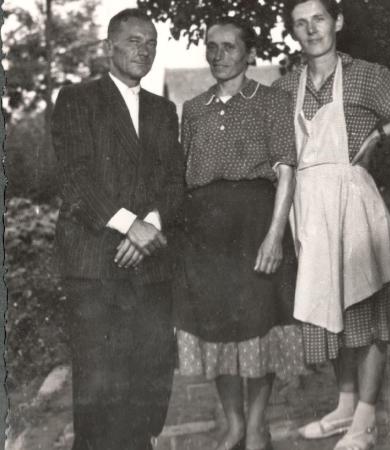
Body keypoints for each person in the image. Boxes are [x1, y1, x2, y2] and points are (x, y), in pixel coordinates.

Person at [274, 1, 390, 449]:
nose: (311, 30)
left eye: (319, 19)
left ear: (338, 22)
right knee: (328, 313)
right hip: (308, 212)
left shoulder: (367, 76)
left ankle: (366, 423)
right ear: (293, 31)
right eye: (300, 23)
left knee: (364, 313)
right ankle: (345, 407)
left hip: (353, 205)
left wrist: (383, 134)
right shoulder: (286, 86)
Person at [51, 9, 184, 450]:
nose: (143, 50)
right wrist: (130, 226)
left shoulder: (164, 110)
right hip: (95, 264)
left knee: (149, 379)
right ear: (109, 47)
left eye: (151, 42)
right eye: (133, 40)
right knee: (99, 388)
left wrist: (151, 229)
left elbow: (175, 181)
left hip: (149, 265)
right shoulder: (77, 99)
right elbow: (75, 178)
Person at [175, 17, 306, 450]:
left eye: (229, 47)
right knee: (217, 328)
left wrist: (274, 236)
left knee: (258, 324)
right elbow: (183, 178)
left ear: (249, 54)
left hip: (255, 228)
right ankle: (232, 423)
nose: (218, 55)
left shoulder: (271, 101)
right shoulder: (193, 108)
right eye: (211, 46)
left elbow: (286, 171)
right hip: (204, 236)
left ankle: (255, 426)